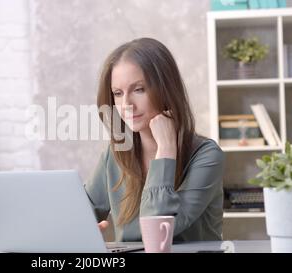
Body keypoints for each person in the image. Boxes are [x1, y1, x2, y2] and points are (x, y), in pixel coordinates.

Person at [86, 37, 224, 242]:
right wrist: (82, 228)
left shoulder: (206, 155)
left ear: (165, 89)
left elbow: (158, 233)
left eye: (139, 89)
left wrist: (166, 150)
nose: (126, 104)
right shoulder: (116, 154)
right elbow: (82, 210)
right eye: (117, 93)